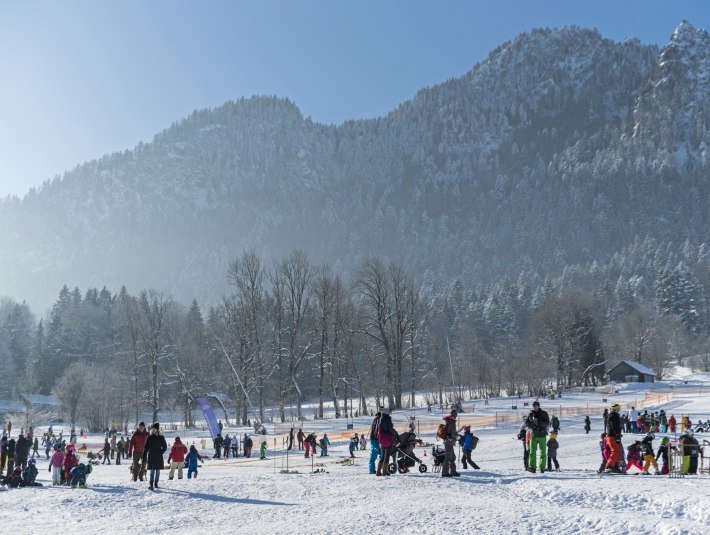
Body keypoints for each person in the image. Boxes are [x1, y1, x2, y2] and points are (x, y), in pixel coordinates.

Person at [525, 401, 550, 473]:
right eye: (533, 406)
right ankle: (532, 467)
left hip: (542, 435)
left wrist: (540, 424)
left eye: (536, 406)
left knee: (543, 452)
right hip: (533, 435)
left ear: (539, 406)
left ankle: (542, 467)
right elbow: (527, 422)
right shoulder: (531, 414)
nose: (535, 407)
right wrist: (532, 426)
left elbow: (547, 422)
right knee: (532, 452)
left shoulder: (544, 413)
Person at [143, 423, 167, 490]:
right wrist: (144, 456)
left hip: (158, 457)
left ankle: (156, 483)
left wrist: (161, 452)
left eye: (154, 429)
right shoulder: (149, 437)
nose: (153, 430)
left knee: (158, 471)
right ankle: (151, 484)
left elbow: (165, 447)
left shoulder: (161, 437)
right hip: (151, 456)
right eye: (152, 429)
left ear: (157, 429)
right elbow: (146, 447)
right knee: (152, 470)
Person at [377, 409, 398, 476]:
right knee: (387, 456)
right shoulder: (388, 420)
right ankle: (384, 472)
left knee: (382, 456)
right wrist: (394, 437)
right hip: (388, 440)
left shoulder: (380, 420)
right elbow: (390, 430)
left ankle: (378, 472)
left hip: (382, 441)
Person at [440, 409, 460, 478]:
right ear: (455, 415)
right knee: (448, 457)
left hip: (448, 442)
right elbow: (453, 433)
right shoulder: (452, 423)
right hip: (449, 442)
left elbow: (450, 432)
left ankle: (453, 471)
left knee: (452, 457)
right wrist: (458, 437)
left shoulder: (448, 422)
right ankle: (445, 473)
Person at [604, 403, 623, 473]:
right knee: (615, 451)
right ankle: (608, 466)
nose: (619, 410)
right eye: (618, 409)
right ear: (615, 409)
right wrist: (617, 434)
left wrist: (618, 435)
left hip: (614, 435)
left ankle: (615, 467)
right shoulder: (613, 415)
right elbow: (614, 426)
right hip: (612, 436)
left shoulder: (615, 415)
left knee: (619, 452)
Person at [368, 410, 382, 475]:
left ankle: (373, 469)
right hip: (376, 439)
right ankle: (373, 469)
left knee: (377, 454)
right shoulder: (378, 420)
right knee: (377, 454)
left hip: (375, 439)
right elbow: (376, 431)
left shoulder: (375, 420)